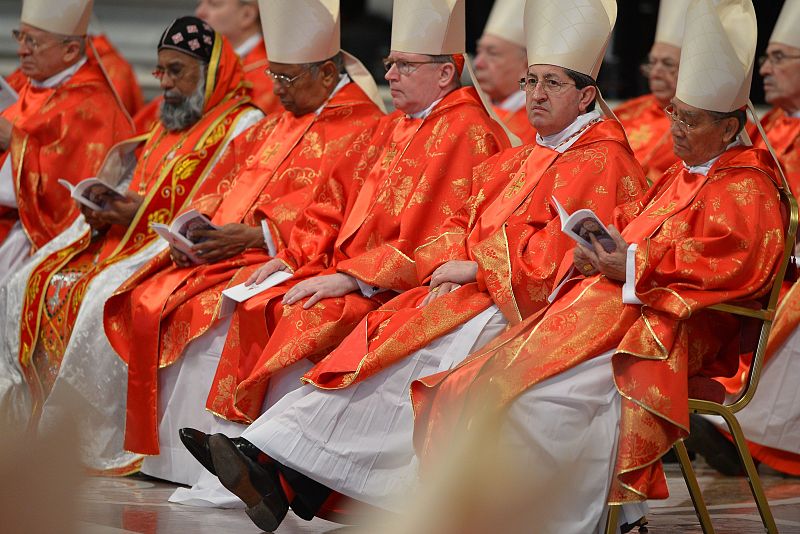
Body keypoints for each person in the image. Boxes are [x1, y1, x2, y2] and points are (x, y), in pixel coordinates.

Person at [174, 0, 645, 528]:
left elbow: (574, 259)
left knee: (408, 356)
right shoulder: (524, 154)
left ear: (586, 95)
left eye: (552, 84)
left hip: (533, 311)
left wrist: (476, 268)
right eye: (531, 80)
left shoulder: (605, 160)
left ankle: (284, 469)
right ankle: (277, 462)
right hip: (473, 290)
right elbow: (458, 227)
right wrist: (452, 263)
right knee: (385, 338)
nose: (535, 94)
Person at [411, 1, 784, 531]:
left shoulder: (747, 185)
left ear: (730, 129)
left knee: (536, 400)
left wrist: (630, 263)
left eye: (690, 120)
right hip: (625, 304)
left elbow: (730, 266)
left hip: (680, 326)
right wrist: (604, 256)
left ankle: (583, 519)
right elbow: (635, 241)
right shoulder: (686, 173)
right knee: (480, 380)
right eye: (674, 113)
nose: (674, 127)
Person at [169, 0, 511, 513]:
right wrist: (293, 256)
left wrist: (353, 280)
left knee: (303, 312)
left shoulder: (468, 133)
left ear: (445, 73)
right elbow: (331, 204)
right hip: (343, 274)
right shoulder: (391, 126)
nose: (388, 73)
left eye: (404, 65)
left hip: (395, 290)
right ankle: (251, 463)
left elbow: (446, 241)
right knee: (263, 297)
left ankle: (273, 468)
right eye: (391, 63)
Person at [103, 0, 385, 486]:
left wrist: (260, 235)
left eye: (288, 79)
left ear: (324, 72)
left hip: (288, 257)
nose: (277, 90)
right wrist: (198, 226)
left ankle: (213, 465)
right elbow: (223, 182)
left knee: (218, 311)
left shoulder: (366, 127)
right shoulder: (278, 120)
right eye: (273, 76)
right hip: (229, 251)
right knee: (144, 296)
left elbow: (348, 214)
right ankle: (158, 455)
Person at [0, 16, 263, 476]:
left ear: (212, 70)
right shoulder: (173, 116)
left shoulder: (242, 124)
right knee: (27, 280)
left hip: (171, 245)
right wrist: (107, 203)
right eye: (160, 71)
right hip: (126, 233)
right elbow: (143, 181)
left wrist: (139, 215)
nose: (163, 82)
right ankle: (26, 422)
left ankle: (81, 436)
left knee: (101, 297)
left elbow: (220, 202)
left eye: (175, 71)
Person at [687, 0, 800, 478]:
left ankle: (748, 434)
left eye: (778, 58)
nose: (766, 70)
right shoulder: (768, 127)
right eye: (766, 58)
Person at [0, 0, 134, 283]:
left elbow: (70, 192)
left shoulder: (95, 106)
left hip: (36, 235)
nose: (22, 49)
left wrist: (14, 141)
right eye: (20, 37)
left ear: (71, 50)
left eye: (33, 42)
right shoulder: (27, 80)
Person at [134, 0, 280, 133]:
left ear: (247, 15)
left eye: (214, 4)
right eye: (200, 3)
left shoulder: (274, 77)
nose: (200, 12)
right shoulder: (196, 64)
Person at [614, 0, 689, 182]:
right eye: (652, 63)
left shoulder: (704, 125)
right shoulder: (624, 113)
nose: (655, 73)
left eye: (668, 64)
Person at [474, 0, 535, 144]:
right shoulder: (470, 109)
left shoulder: (542, 124)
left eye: (492, 54)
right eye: (479, 52)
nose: (478, 63)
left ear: (526, 66)